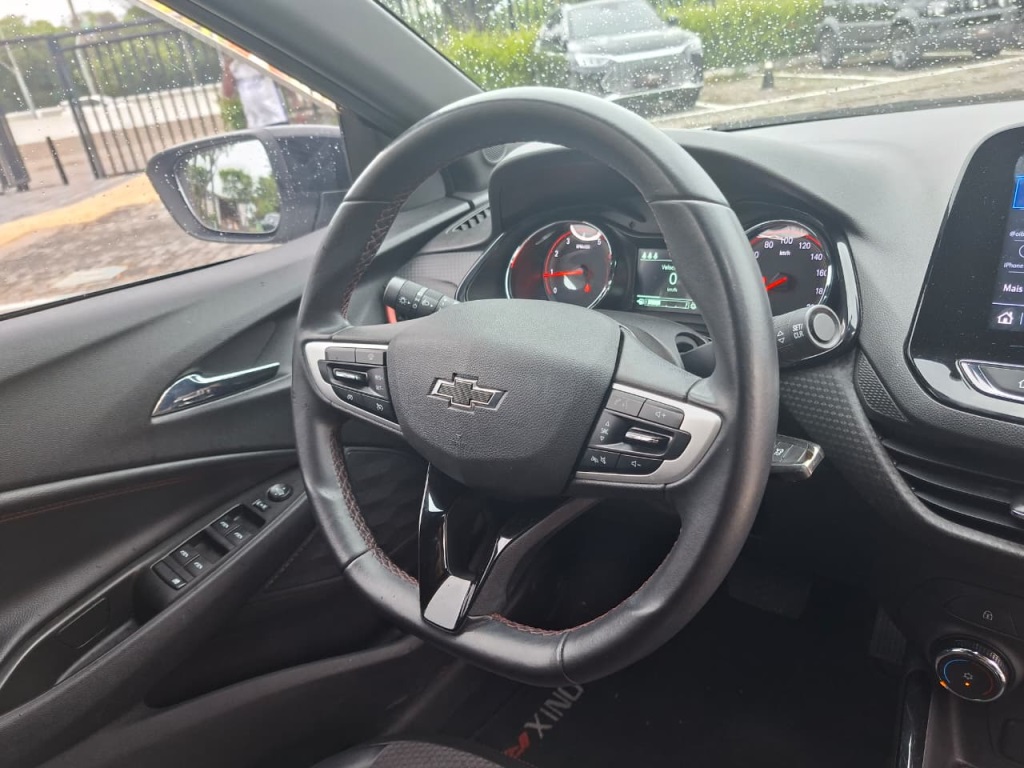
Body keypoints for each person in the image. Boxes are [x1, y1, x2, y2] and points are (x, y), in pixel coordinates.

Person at [221, 55, 288, 128]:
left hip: (276, 119)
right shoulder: (234, 65)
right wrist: (227, 67)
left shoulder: (260, 58)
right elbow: (228, 94)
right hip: (254, 124)